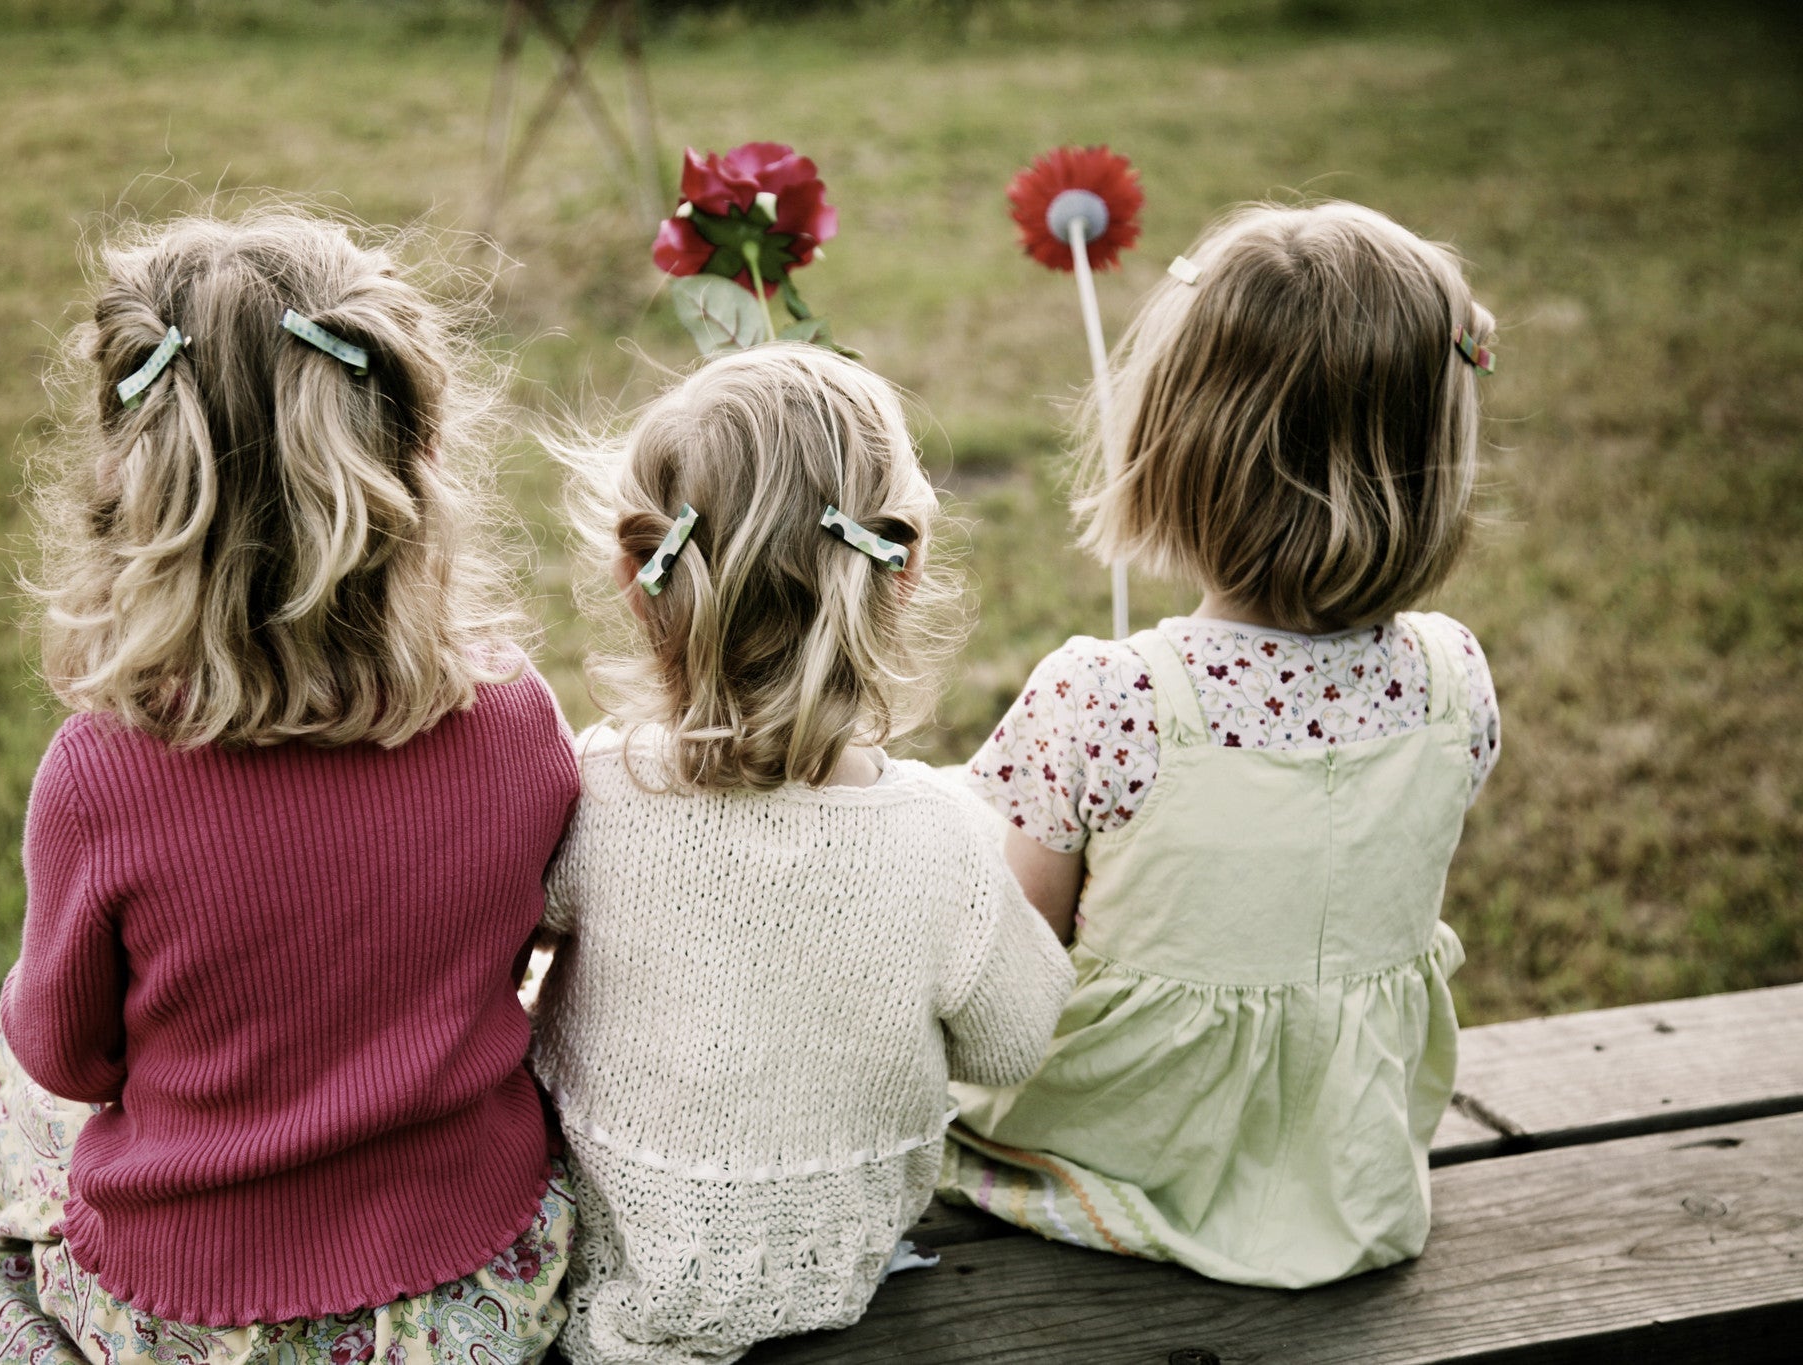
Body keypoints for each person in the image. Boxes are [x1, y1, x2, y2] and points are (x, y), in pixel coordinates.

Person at [0, 211, 581, 1365]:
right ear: (410, 461)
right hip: (474, 1289)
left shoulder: (101, 780)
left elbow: (70, 1061)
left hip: (199, 1323)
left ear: (138, 499)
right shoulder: (517, 719)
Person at [946, 201, 1504, 1289]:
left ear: (1172, 442)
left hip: (1120, 1151)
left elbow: (1011, 979)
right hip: (1347, 1173)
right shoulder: (1451, 679)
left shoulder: (1110, 698)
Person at [534, 343, 1075, 1364]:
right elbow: (1011, 1043)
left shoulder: (591, 792)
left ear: (634, 567)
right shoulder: (940, 833)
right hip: (831, 1260)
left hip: (604, 1236)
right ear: (901, 567)